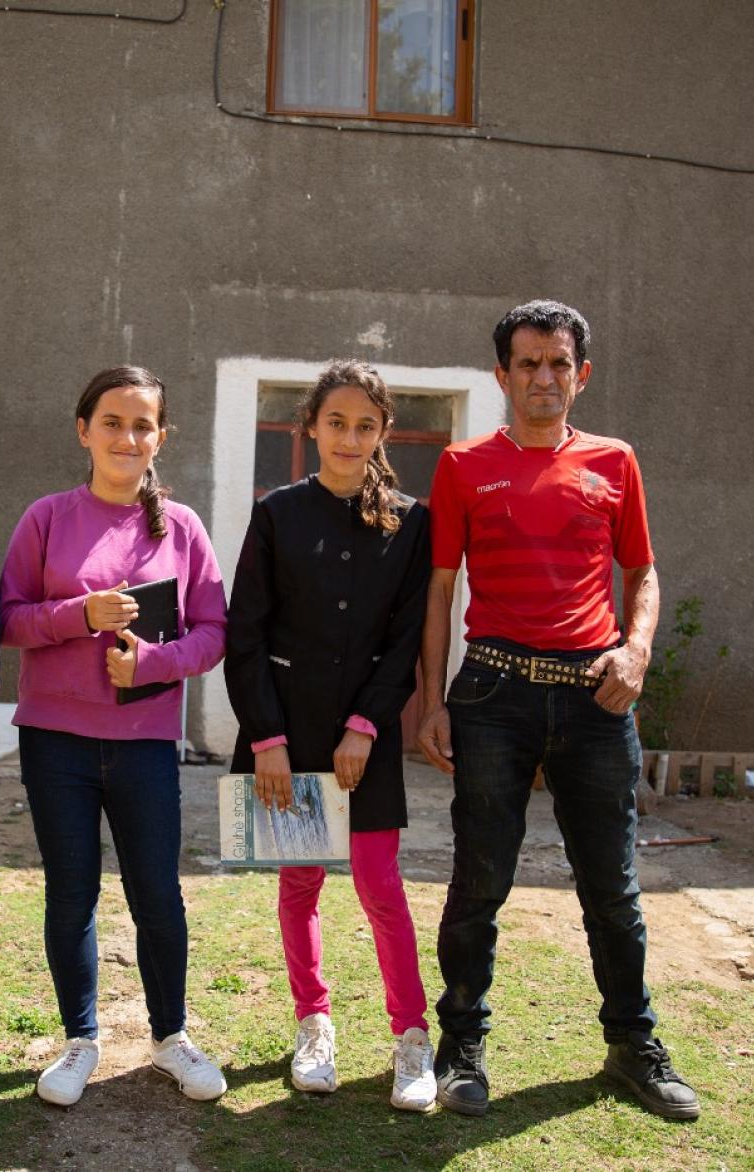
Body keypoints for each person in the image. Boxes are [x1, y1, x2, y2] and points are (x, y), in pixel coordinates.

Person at [416, 299, 699, 1121]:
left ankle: (632, 1046)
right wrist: (431, 703)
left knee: (613, 886)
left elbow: (642, 572)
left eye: (559, 363)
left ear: (582, 374)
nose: (544, 377)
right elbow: (439, 589)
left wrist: (636, 651)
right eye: (528, 363)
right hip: (493, 692)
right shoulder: (463, 465)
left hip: (595, 694)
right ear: (502, 376)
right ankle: (461, 1047)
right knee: (480, 881)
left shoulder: (616, 461)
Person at [0, 366, 229, 1107]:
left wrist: (153, 663)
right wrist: (79, 615)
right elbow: (6, 619)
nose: (127, 437)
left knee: (157, 892)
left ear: (160, 437)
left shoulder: (183, 528)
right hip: (56, 742)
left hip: (144, 743)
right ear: (84, 431)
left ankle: (170, 1038)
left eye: (142, 425)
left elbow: (214, 632)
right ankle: (81, 1040)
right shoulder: (46, 518)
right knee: (72, 893)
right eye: (112, 422)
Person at [225, 360, 436, 1112]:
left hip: (365, 739)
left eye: (365, 426)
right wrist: (268, 739)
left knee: (381, 885)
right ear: (311, 426)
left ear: (383, 433)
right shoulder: (277, 513)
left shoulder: (410, 521)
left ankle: (412, 1035)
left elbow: (405, 641)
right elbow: (245, 634)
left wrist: (367, 726)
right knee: (300, 884)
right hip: (288, 733)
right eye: (336, 422)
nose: (350, 438)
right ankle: (313, 1025)